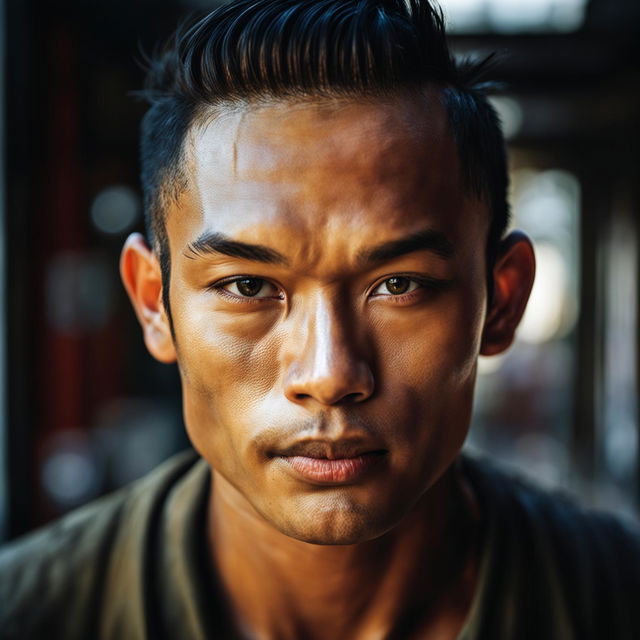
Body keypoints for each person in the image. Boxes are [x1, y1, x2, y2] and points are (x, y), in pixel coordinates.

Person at [1, 1, 639, 638]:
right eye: (247, 286)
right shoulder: (28, 612)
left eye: (399, 285)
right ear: (154, 304)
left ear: (500, 303)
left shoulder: (613, 597)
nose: (330, 375)